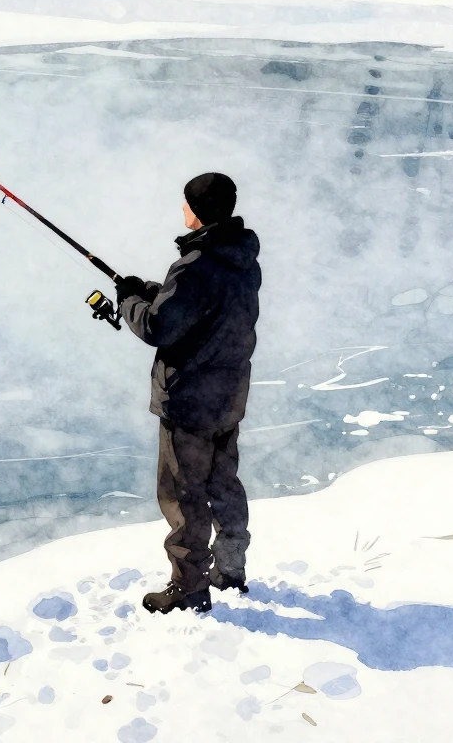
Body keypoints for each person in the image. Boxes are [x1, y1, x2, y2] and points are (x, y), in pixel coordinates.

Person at [116, 172, 261, 615]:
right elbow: (208, 312)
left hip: (190, 400)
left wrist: (128, 303)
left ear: (196, 211)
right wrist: (153, 293)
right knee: (224, 482)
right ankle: (231, 569)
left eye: (186, 204)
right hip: (229, 395)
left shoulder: (195, 264)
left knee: (183, 494)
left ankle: (189, 586)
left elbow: (159, 327)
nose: (183, 210)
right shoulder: (243, 259)